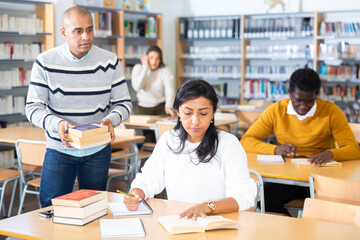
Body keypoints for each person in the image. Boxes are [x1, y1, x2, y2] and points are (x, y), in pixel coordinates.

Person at [25, 6, 132, 207]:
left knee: (94, 207)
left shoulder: (110, 61)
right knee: (51, 206)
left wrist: (111, 119)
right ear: (64, 32)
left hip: (98, 149)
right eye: (78, 31)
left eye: (90, 30)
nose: (86, 36)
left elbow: (123, 103)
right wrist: (56, 123)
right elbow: (32, 108)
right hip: (60, 149)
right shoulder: (45, 62)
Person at [124, 79, 257, 219]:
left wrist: (207, 207)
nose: (195, 121)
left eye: (203, 113)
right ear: (178, 112)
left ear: (213, 112)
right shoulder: (169, 139)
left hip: (216, 221)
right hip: (178, 221)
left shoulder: (228, 144)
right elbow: (148, 179)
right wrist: (136, 193)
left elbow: (243, 197)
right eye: (188, 113)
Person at [240, 67, 360, 213]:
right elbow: (246, 140)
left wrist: (331, 154)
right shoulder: (277, 110)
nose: (303, 106)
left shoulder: (331, 111)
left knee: (329, 207)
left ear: (316, 94)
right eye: (298, 100)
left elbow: (353, 149)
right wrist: (275, 150)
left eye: (309, 101)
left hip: (320, 178)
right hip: (287, 177)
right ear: (290, 93)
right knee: (265, 197)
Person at [131, 45, 176, 118]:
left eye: (157, 58)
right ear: (146, 58)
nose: (154, 62)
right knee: (146, 129)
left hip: (161, 106)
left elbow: (169, 90)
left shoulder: (165, 71)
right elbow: (137, 87)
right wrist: (145, 68)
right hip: (144, 108)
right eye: (151, 58)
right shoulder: (138, 68)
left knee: (162, 128)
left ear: (160, 60)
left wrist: (169, 106)